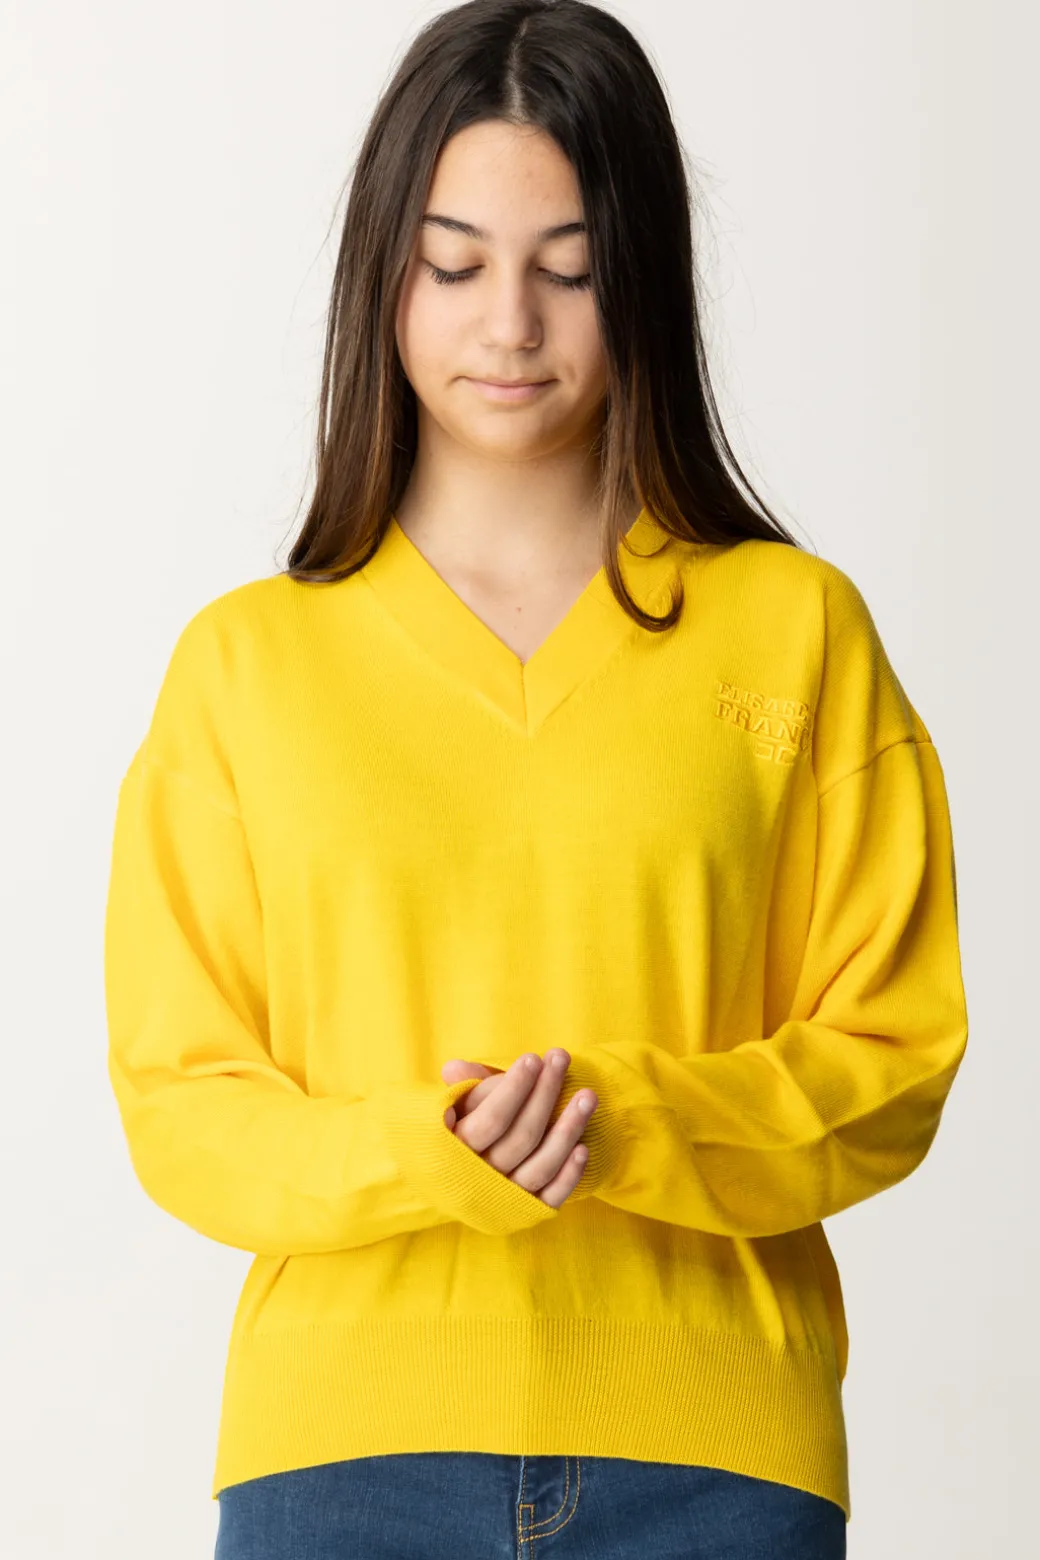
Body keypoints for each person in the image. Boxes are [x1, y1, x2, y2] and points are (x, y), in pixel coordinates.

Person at [102, 2, 969, 1556]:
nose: (510, 323)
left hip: (719, 1462)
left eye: (567, 269)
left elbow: (894, 1054)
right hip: (342, 1462)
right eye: (456, 265)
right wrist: (422, 1149)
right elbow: (182, 1102)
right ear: (383, 276)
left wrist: (624, 1117)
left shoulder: (796, 631)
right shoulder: (244, 666)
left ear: (643, 277)